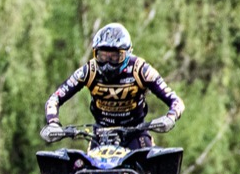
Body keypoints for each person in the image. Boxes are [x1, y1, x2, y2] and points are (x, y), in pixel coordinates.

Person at [40, 22, 185, 148]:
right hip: (100, 136)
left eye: (115, 57)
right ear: (95, 54)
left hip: (135, 134)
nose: (107, 64)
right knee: (80, 168)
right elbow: (55, 98)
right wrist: (53, 123)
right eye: (102, 56)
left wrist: (170, 117)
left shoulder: (141, 70)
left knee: (154, 165)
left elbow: (176, 101)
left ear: (127, 54)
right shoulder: (89, 71)